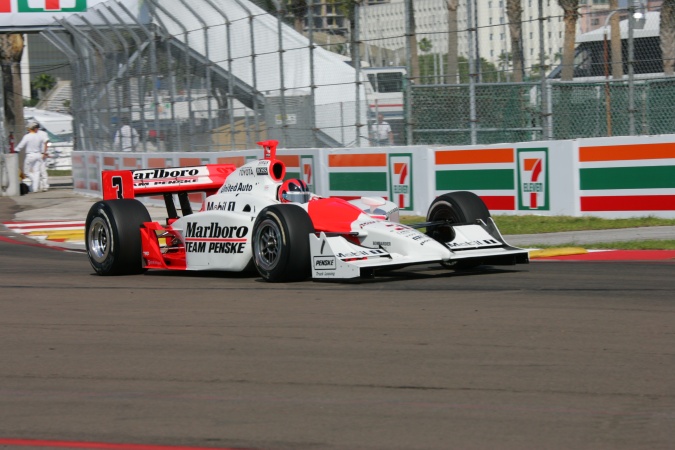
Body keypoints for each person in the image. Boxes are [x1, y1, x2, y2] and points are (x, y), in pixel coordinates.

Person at [15, 121, 49, 193]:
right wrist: (44, 152)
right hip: (39, 155)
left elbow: (21, 145)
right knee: (37, 172)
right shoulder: (39, 136)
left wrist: (16, 150)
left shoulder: (27, 136)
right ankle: (35, 188)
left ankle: (38, 182)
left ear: (30, 128)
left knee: (27, 172)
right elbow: (46, 143)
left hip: (31, 155)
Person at [37, 125, 50, 192]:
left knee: (41, 170)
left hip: (41, 153)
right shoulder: (43, 133)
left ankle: (44, 185)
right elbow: (47, 143)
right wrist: (46, 152)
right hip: (38, 154)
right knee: (39, 170)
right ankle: (42, 185)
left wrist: (45, 152)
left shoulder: (41, 133)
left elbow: (46, 143)